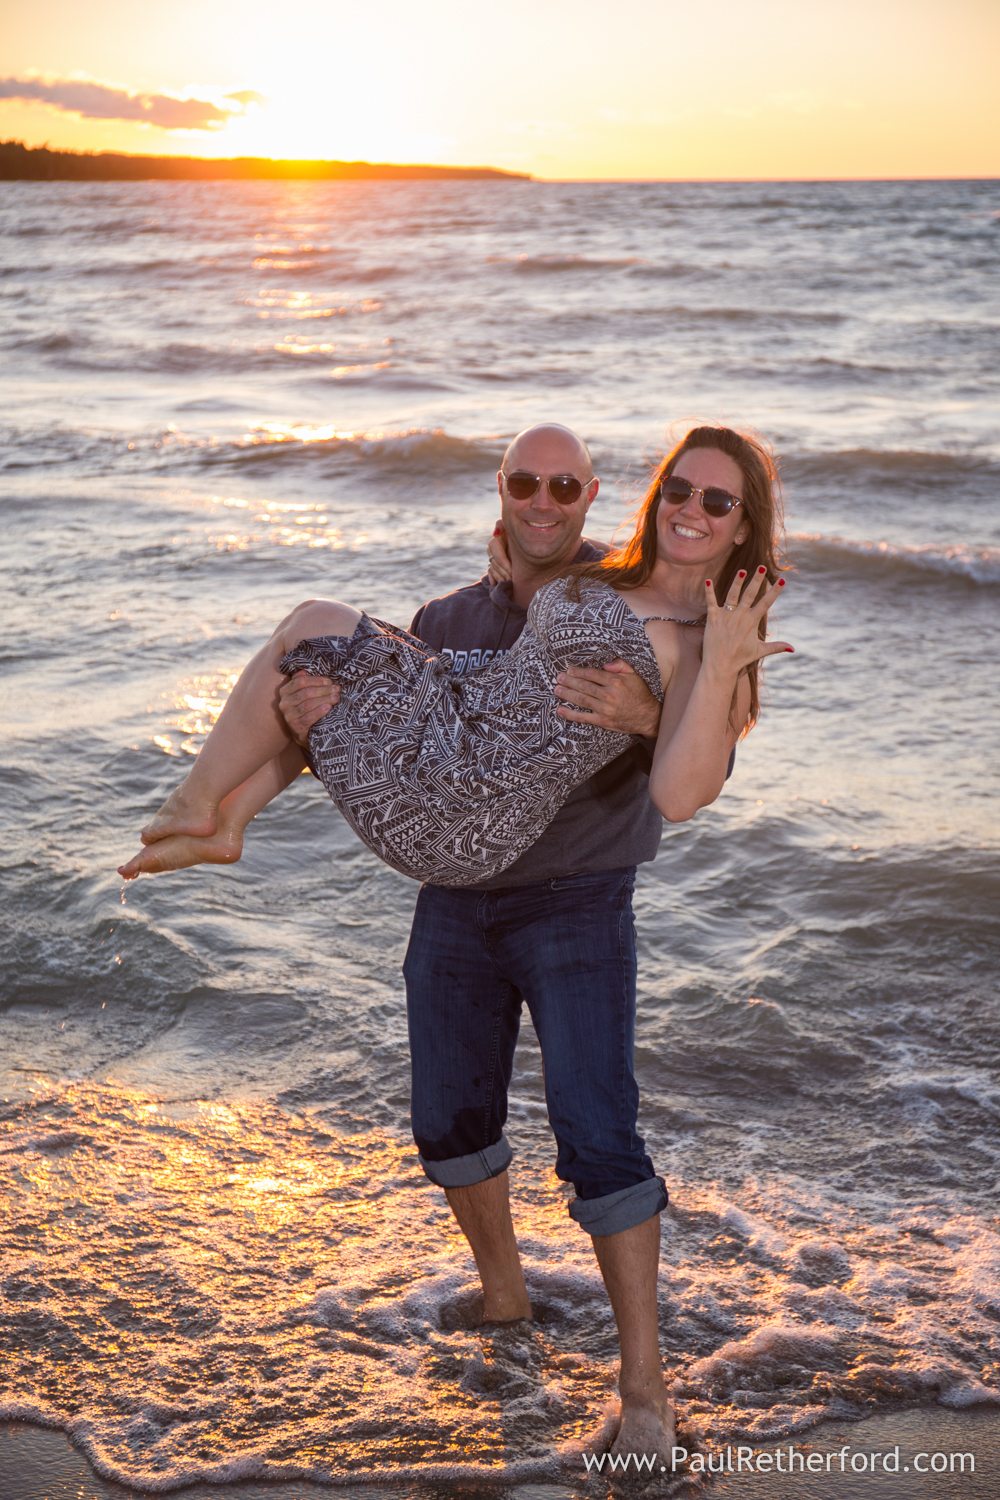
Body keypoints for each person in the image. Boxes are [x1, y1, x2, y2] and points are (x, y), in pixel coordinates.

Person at [118, 422, 790, 1460]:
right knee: (447, 1118)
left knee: (597, 1135)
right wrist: (307, 721)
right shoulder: (535, 591)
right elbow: (430, 704)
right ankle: (504, 1298)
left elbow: (686, 790)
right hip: (454, 876)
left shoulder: (714, 642)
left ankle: (645, 1389)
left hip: (567, 890)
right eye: (680, 493)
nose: (691, 514)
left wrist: (675, 701)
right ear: (645, 498)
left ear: (742, 525)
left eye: (717, 503)